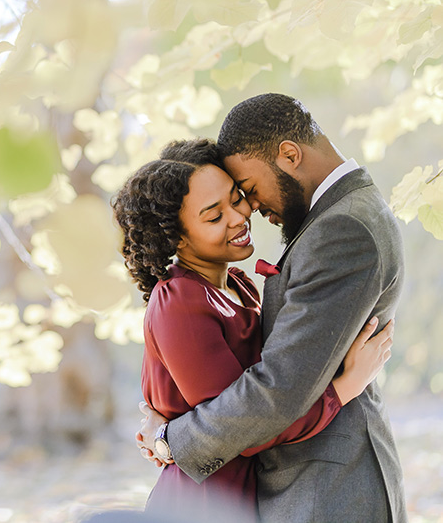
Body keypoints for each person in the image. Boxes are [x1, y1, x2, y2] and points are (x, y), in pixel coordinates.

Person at [136, 94, 406, 522]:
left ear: (289, 154)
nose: (251, 209)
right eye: (215, 212)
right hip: (253, 491)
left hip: (327, 490)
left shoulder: (342, 228)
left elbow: (278, 389)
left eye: (247, 191)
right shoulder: (335, 218)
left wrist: (170, 440)